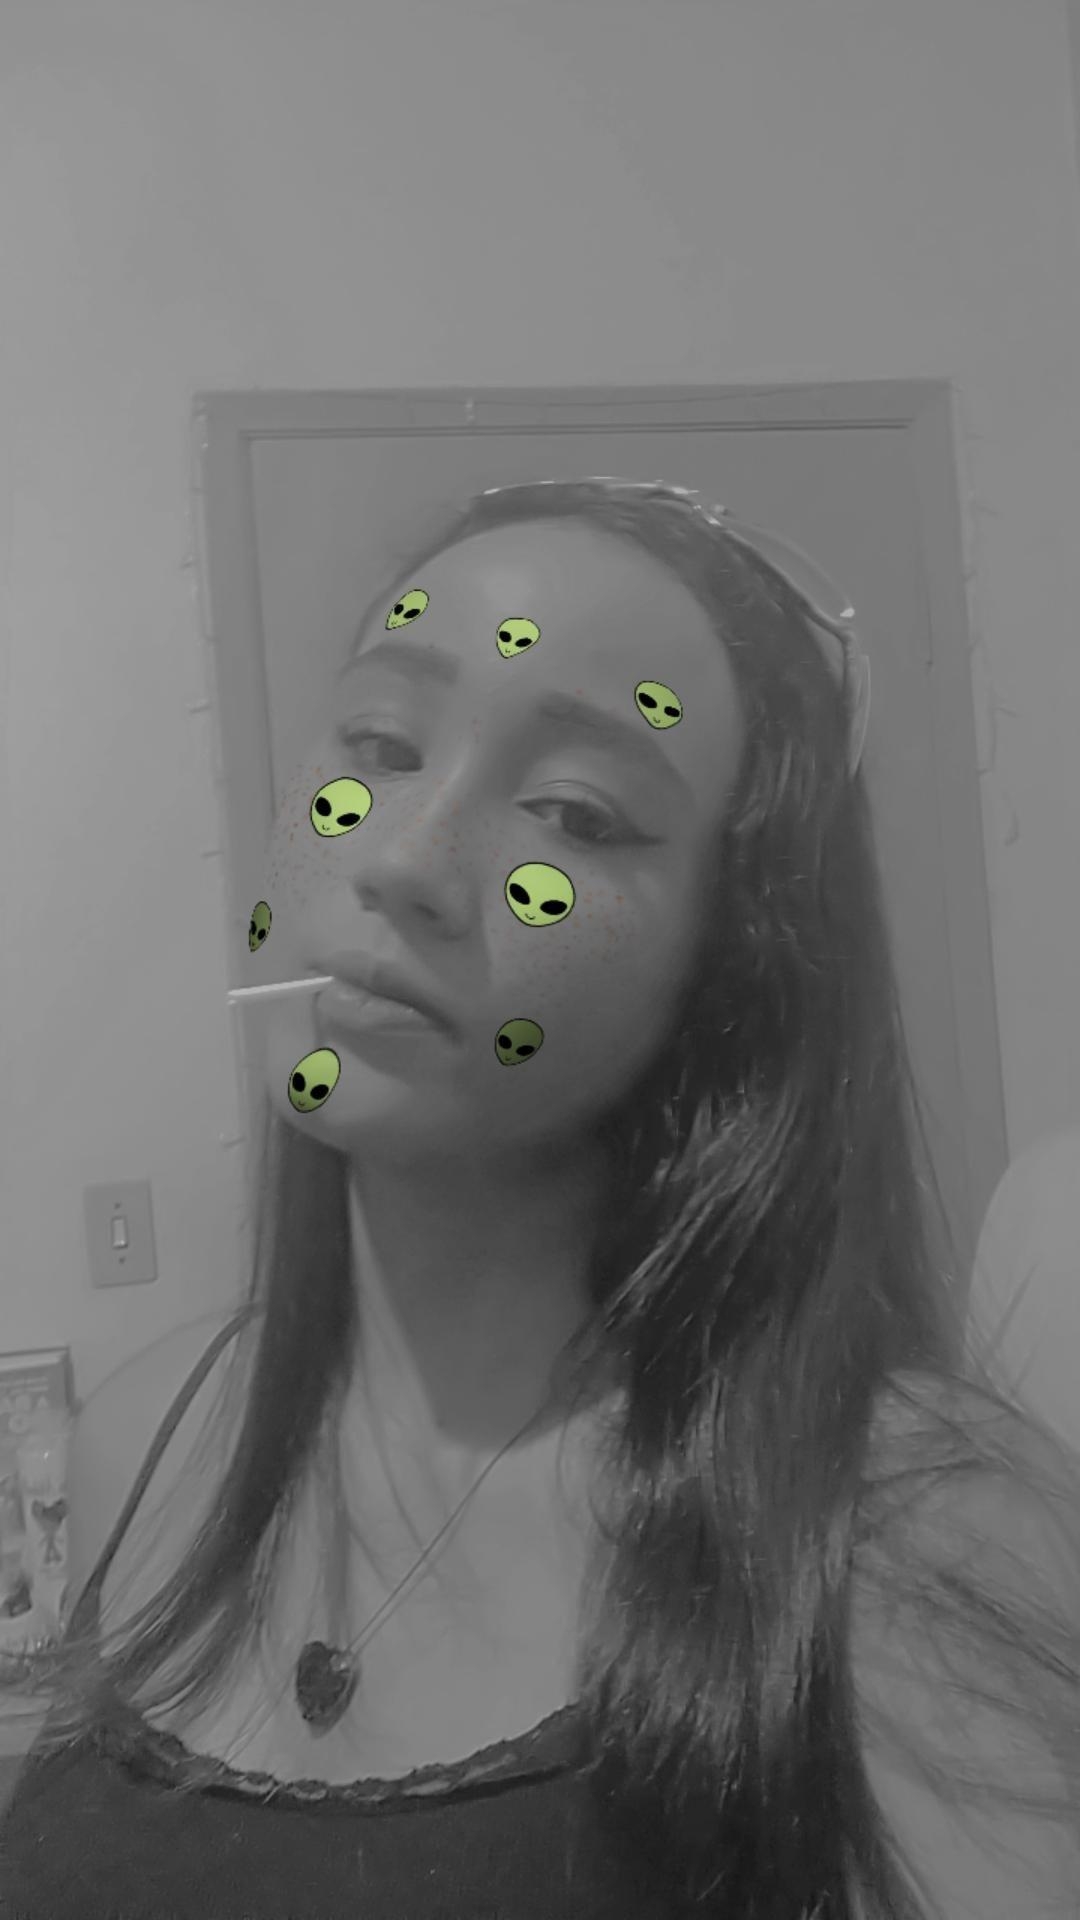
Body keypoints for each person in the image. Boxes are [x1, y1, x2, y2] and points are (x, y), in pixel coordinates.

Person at [2, 474, 1079, 1919]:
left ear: (729, 969)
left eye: (573, 811)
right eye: (380, 744)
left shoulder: (920, 1536)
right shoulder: (146, 1435)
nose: (403, 859)